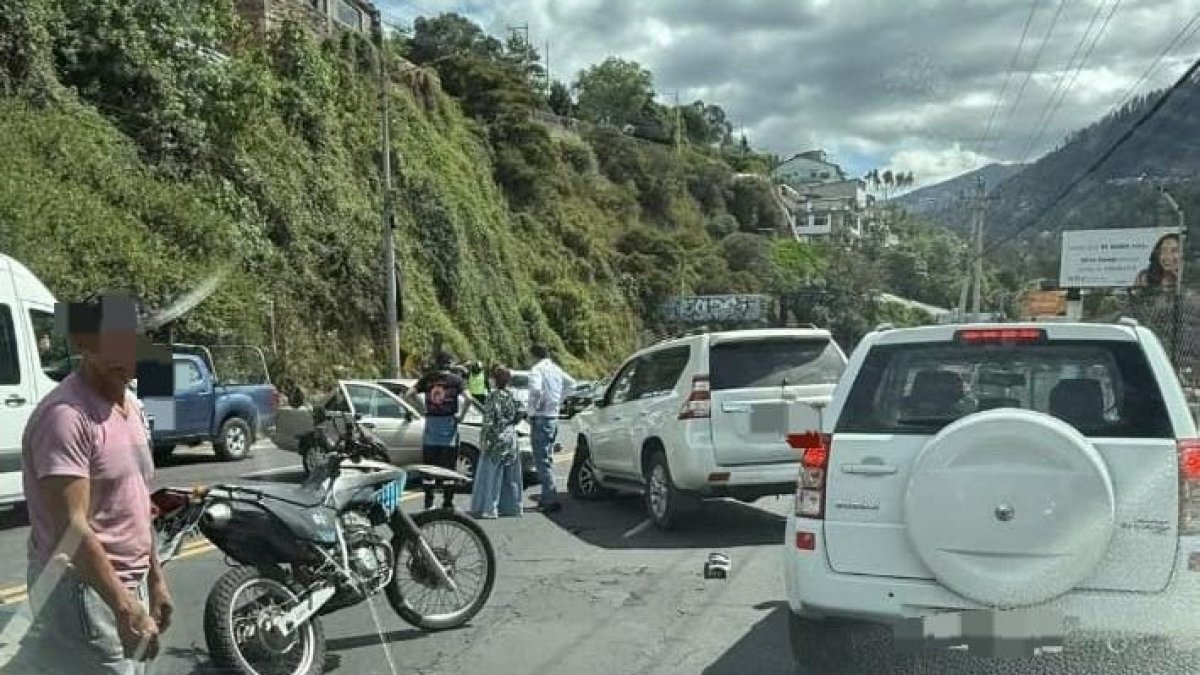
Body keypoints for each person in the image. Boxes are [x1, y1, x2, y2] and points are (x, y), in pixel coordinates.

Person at [10, 293, 170, 674]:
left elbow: (136, 502)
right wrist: (123, 605)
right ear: (85, 343)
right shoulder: (66, 418)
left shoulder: (132, 407)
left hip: (126, 584)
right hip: (82, 590)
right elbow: (72, 527)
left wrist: (156, 579)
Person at [415, 351, 472, 510]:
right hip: (449, 426)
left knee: (429, 467)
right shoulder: (456, 380)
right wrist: (461, 416)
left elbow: (409, 394)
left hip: (431, 426)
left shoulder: (428, 379)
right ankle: (447, 502)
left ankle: (429, 501)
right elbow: (469, 398)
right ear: (450, 363)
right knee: (448, 468)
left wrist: (423, 410)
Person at [469, 366, 524, 519]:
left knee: (491, 474)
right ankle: (513, 507)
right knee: (511, 475)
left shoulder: (493, 396)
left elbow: (488, 421)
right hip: (510, 436)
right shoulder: (514, 394)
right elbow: (522, 412)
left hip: (495, 438)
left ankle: (489, 507)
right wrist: (511, 424)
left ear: (495, 379)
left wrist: (483, 438)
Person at [526, 344, 575, 513]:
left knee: (541, 460)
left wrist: (532, 410)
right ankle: (548, 494)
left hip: (541, 417)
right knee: (547, 458)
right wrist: (558, 400)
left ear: (534, 355)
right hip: (553, 417)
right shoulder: (555, 369)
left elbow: (536, 390)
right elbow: (572, 385)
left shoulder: (536, 369)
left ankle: (550, 499)